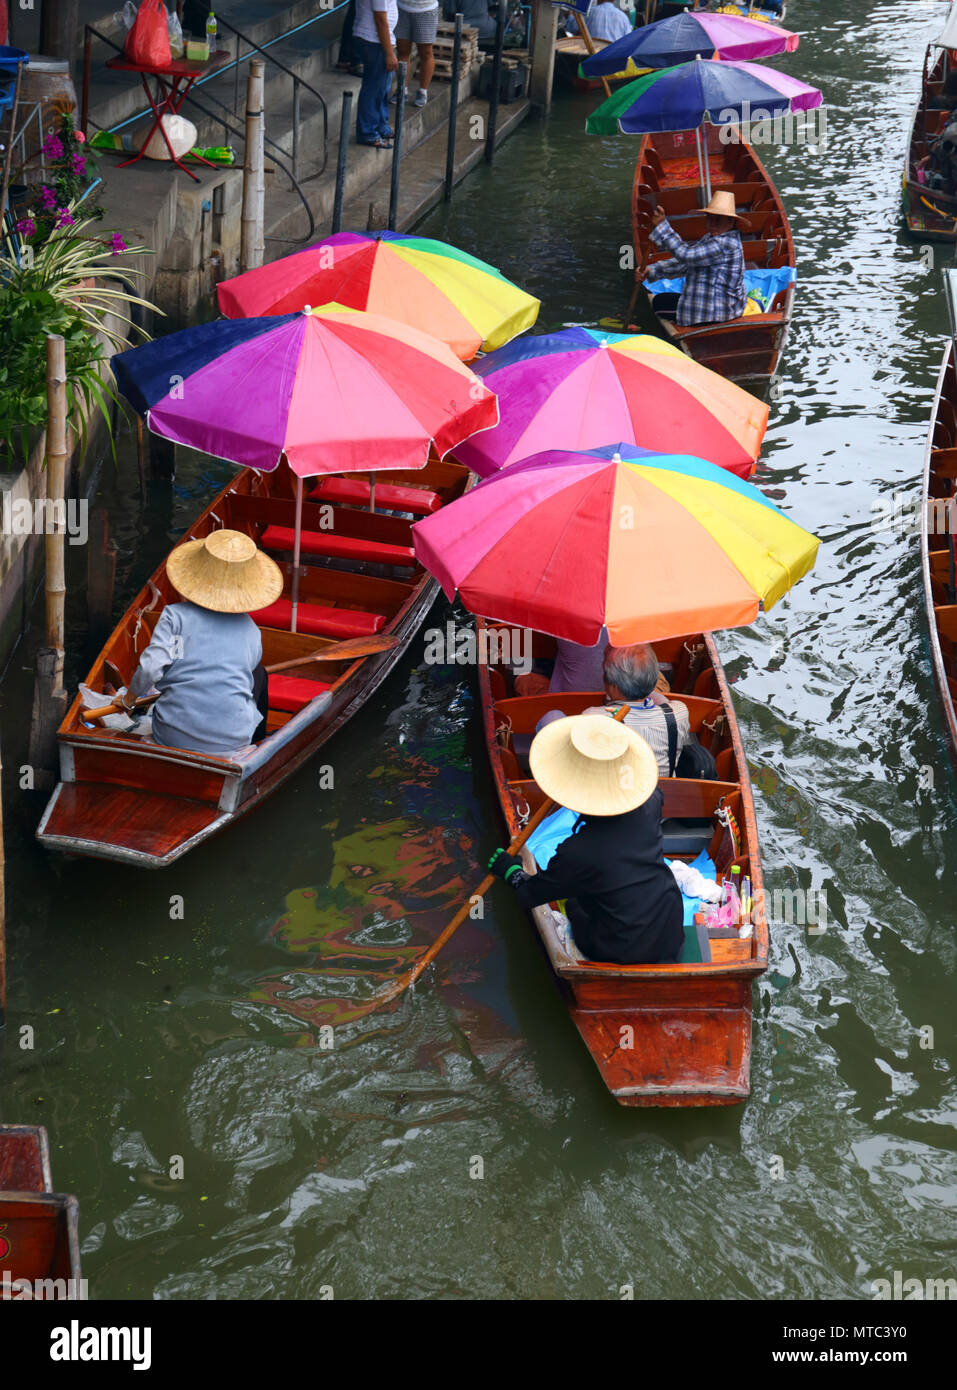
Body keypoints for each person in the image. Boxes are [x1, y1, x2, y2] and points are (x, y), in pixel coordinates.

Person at [487, 714, 684, 964]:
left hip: (619, 949)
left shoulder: (578, 851)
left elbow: (530, 894)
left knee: (574, 905)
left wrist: (510, 870)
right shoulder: (650, 803)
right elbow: (650, 793)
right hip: (669, 927)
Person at [120, 530, 283, 755]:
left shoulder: (174, 616)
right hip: (232, 740)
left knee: (257, 674)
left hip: (171, 735)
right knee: (258, 675)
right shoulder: (251, 630)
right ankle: (255, 744)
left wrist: (128, 700)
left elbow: (151, 668)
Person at [583, 642, 689, 779]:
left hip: (617, 795)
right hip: (662, 793)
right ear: (654, 679)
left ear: (613, 687)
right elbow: (660, 700)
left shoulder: (593, 716)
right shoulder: (679, 713)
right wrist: (643, 687)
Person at [646, 190, 747, 327]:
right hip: (726, 307)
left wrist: (662, 226)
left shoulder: (725, 243)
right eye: (710, 218)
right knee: (662, 300)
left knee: (659, 304)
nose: (712, 223)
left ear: (731, 222)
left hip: (715, 312)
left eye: (718, 219)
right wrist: (652, 270)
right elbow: (687, 264)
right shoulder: (712, 238)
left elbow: (686, 256)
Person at [353, 0, 400, 149]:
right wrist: (389, 53)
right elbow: (380, 19)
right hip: (373, 41)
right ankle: (368, 133)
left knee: (381, 88)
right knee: (373, 89)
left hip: (377, 40)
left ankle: (380, 125)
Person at [392, 0, 439, 109]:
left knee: (426, 52)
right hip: (402, 7)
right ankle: (402, 89)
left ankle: (423, 91)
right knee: (402, 51)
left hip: (426, 9)